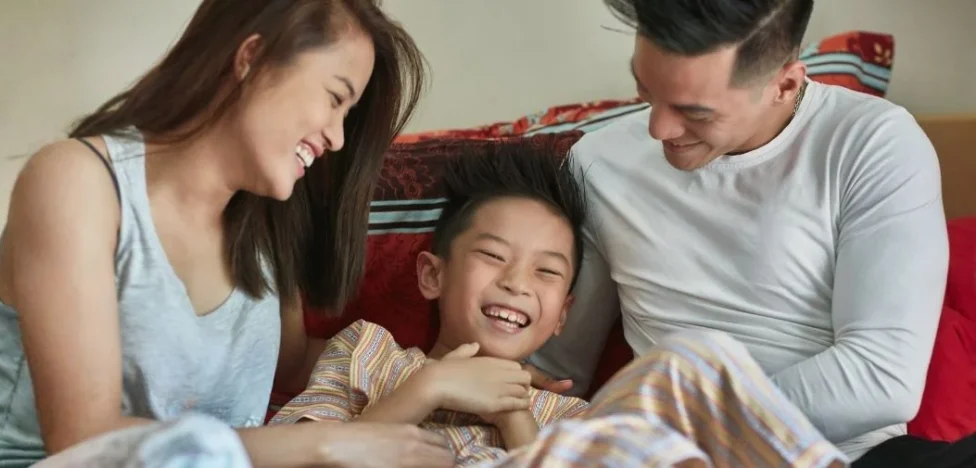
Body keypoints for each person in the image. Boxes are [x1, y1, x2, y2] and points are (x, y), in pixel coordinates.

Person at [0, 1, 454, 467]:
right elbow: (86, 441)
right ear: (253, 58)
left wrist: (437, 376)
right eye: (334, 98)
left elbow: (295, 364)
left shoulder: (264, 234)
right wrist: (324, 442)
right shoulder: (77, 181)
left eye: (347, 115)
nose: (337, 137)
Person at [523, 0, 952, 463]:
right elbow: (557, 371)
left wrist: (677, 423)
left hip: (845, 457)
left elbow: (880, 378)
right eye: (645, 90)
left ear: (784, 85)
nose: (658, 128)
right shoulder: (597, 164)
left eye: (696, 112)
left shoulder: (872, 144)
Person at [271, 143, 848, 467]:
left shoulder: (568, 417)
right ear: (432, 274)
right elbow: (305, 458)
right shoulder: (366, 352)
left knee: (694, 359)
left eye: (546, 271)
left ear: (563, 313)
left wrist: (514, 414)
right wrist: (430, 388)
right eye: (494, 256)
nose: (519, 282)